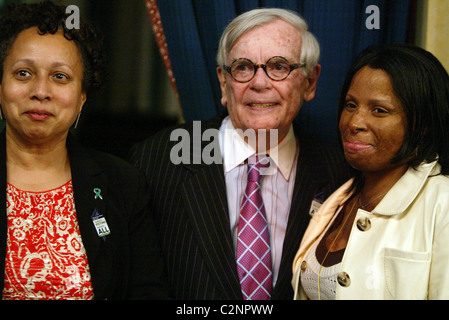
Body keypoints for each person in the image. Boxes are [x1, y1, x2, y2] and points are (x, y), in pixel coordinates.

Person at [129, 8, 351, 300]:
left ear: (309, 82)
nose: (259, 83)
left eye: (279, 66)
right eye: (244, 67)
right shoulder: (160, 159)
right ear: (224, 82)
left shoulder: (340, 175)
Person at [0, 2, 167, 300]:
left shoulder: (123, 184)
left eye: (60, 77)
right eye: (23, 73)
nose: (40, 90)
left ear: (82, 98)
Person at [292, 44, 449, 300]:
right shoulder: (342, 194)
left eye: (379, 110)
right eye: (351, 105)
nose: (354, 122)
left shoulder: (443, 202)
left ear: (423, 125)